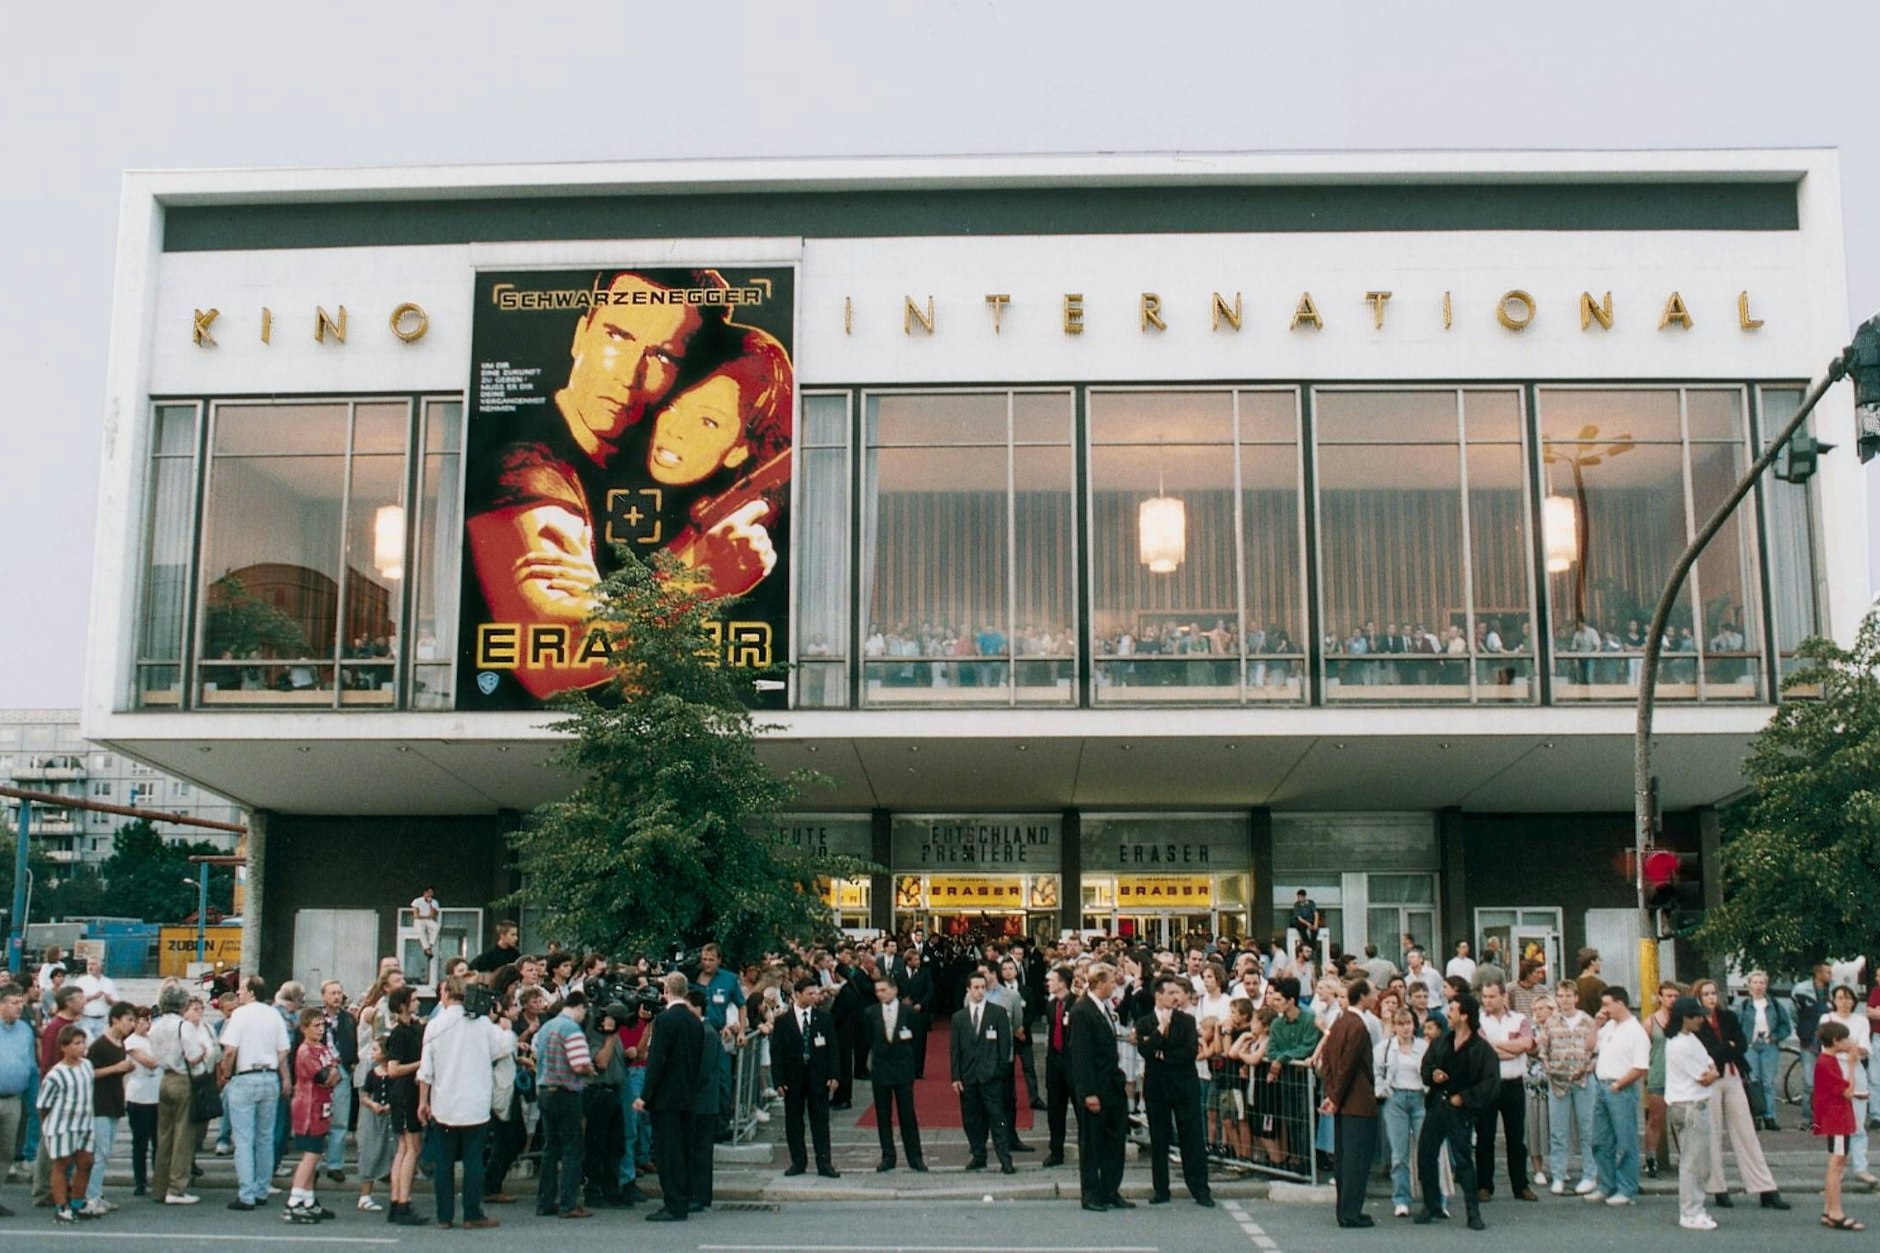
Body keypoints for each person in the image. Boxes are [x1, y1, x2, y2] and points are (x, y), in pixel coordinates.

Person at [417, 974, 514, 1230]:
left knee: (444, 1162)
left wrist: (423, 1101)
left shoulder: (435, 1026)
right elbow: (502, 1049)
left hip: (444, 1103)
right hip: (475, 1103)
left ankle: (444, 1216)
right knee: (473, 1160)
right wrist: (505, 1029)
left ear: (446, 993)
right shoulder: (481, 1024)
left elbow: (426, 1070)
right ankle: (472, 1213)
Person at [1688, 977, 1790, 1211]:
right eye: (1706, 994)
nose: (1711, 998)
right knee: (1712, 1134)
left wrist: (1729, 1048)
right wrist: (1728, 1047)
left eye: (1713, 993)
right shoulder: (1695, 1023)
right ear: (1698, 998)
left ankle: (1765, 1188)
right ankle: (1718, 1189)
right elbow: (1709, 1053)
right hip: (1709, 1080)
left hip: (1733, 1076)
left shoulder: (1728, 1017)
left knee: (1746, 1133)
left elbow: (1742, 1044)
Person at [1415, 993, 1499, 1230]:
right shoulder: (1442, 1042)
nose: (1447, 1014)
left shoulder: (1481, 1049)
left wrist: (1465, 1098)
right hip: (1437, 1105)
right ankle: (1431, 1206)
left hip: (1461, 1111)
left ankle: (1473, 1213)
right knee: (1426, 1154)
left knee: (1463, 1161)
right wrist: (1433, 1075)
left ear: (1464, 1016)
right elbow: (1427, 1065)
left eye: (1452, 1009)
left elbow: (1491, 1083)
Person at [1135, 973, 1212, 1207]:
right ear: (1158, 995)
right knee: (1159, 1140)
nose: (1175, 997)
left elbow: (1189, 1052)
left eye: (1177, 992)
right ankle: (1161, 1189)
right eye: (1170, 993)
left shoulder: (1187, 1021)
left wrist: (1162, 1054)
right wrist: (1160, 1032)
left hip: (1184, 1085)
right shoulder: (1145, 1022)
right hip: (1157, 1088)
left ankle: (1200, 1189)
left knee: (1192, 1138)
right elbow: (1145, 1050)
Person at [214, 977, 287, 1213]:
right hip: (269, 1076)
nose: (238, 992)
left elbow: (230, 1050)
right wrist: (276, 1067)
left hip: (245, 1077)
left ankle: (246, 1194)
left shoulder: (240, 1015)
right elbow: (283, 1049)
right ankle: (261, 1189)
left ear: (251, 992)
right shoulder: (274, 1014)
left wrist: (225, 1074)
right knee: (265, 1137)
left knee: (244, 1139)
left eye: (242, 989)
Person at [637, 973, 705, 1221]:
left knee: (668, 1152)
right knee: (683, 1149)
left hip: (665, 1097)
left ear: (666, 989)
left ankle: (673, 1203)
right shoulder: (694, 1021)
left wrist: (645, 1095)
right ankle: (683, 1198)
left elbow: (657, 1061)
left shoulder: (664, 1020)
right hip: (686, 1094)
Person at [1070, 963, 1130, 1212]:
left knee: (1115, 1141)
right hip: (1096, 1088)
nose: (1114, 986)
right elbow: (1081, 1056)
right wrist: (1088, 1093)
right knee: (1093, 1143)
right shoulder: (1082, 1011)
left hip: (1112, 1086)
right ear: (1098, 983)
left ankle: (1110, 1190)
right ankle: (1091, 1193)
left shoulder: (1102, 1008)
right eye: (1110, 982)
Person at [1319, 980, 1379, 1228]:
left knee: (1345, 1159)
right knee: (1356, 1160)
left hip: (1343, 1102)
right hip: (1358, 1101)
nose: (1375, 996)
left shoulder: (1340, 1022)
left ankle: (1345, 1209)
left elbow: (1329, 1061)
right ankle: (1351, 1212)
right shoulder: (1357, 1026)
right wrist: (1335, 1097)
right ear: (1362, 996)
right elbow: (1348, 1065)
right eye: (1372, 993)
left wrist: (1331, 1093)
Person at [533, 988, 596, 1220]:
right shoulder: (573, 1030)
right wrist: (589, 1069)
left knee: (551, 1148)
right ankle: (568, 1203)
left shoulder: (547, 1026)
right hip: (566, 1092)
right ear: (579, 1008)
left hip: (544, 1090)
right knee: (572, 1149)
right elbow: (579, 1065)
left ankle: (544, 1201)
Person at [1475, 979, 1537, 1202]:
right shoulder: (1479, 1020)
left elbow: (1527, 1044)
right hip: (1488, 1084)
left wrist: (1499, 1046)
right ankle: (1484, 1185)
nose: (1487, 1001)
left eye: (1492, 996)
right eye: (1485, 996)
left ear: (1503, 997)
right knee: (1485, 1136)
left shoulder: (1520, 1019)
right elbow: (1484, 1050)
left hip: (1513, 1083)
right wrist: (1513, 1048)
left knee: (1516, 1137)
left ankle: (1520, 1185)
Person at [770, 977, 839, 1179]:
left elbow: (833, 1049)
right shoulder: (783, 1021)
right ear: (798, 995)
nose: (814, 997)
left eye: (815, 993)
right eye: (809, 993)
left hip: (818, 1077)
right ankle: (798, 1161)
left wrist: (834, 1074)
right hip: (793, 1079)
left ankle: (824, 1162)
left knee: (820, 1121)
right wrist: (779, 1080)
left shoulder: (823, 1018)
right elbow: (777, 1053)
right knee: (794, 1122)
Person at [1664, 995, 1721, 1232]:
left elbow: (1711, 1064)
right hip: (1690, 1107)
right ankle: (1690, 1212)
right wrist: (1713, 1073)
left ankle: (1696, 1207)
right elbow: (1705, 1075)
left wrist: (1713, 1071)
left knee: (1699, 1161)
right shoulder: (1679, 1044)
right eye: (1695, 1015)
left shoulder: (1690, 1039)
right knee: (1693, 1162)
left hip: (1692, 1105)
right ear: (1683, 1018)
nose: (1700, 1019)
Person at [1587, 987, 1648, 1206]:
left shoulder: (1636, 1030)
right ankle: (1606, 1184)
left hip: (1621, 1087)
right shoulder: (1610, 1027)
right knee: (1600, 1140)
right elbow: (1590, 1046)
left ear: (1620, 1003)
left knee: (1625, 1140)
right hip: (1601, 1085)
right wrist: (1596, 1025)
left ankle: (1627, 1188)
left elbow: (1640, 1067)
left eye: (1607, 1004)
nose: (1604, 1009)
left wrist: (1619, 1084)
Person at [1537, 977, 1598, 1195]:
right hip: (1558, 1082)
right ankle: (1559, 1175)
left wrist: (1589, 1067)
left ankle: (1590, 1174)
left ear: (1576, 998)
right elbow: (1543, 1050)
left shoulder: (1588, 1021)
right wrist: (1548, 1066)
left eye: (1568, 996)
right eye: (1560, 996)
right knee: (1558, 1131)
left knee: (1587, 1129)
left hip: (1583, 1081)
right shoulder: (1551, 1023)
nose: (1564, 1000)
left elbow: (1597, 1051)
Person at [950, 972, 1015, 1175]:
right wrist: (955, 1076)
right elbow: (955, 1050)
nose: (979, 991)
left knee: (997, 1118)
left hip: (991, 1075)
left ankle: (1005, 1158)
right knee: (971, 1119)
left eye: (982, 987)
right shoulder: (959, 1018)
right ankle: (979, 1155)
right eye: (975, 988)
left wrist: (1000, 1070)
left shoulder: (997, 1013)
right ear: (968, 990)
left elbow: (1005, 1045)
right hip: (969, 1076)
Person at [861, 968, 925, 1173]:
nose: (879, 993)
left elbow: (917, 1040)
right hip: (881, 1069)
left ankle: (915, 1157)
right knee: (883, 1114)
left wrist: (912, 1066)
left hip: (903, 1068)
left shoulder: (908, 1012)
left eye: (883, 990)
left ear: (894, 990)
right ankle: (888, 1155)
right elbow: (869, 1039)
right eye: (877, 990)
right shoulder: (870, 1012)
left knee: (907, 1114)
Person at [147, 985, 206, 1206]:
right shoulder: (185, 1026)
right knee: (183, 1136)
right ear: (182, 1005)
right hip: (182, 1080)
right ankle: (176, 1187)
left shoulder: (156, 1026)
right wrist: (203, 1052)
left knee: (164, 1135)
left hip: (164, 1078)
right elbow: (192, 1057)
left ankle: (160, 1187)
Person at [282, 1008, 338, 1224]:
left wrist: (332, 1073)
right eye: (315, 1026)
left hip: (322, 1106)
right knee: (311, 1154)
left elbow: (336, 1074)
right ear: (304, 1028)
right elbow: (324, 1076)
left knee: (316, 1153)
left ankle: (308, 1200)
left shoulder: (322, 1048)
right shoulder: (305, 1051)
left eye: (322, 1025)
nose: (320, 1030)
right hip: (308, 1107)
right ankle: (294, 1202)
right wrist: (331, 1073)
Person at [82, 1002, 136, 1216]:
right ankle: (90, 1196)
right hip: (100, 1103)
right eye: (128, 1020)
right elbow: (90, 1072)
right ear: (115, 1020)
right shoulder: (100, 1044)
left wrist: (123, 1070)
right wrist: (116, 1068)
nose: (130, 1025)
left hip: (114, 1100)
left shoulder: (119, 1043)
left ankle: (97, 1193)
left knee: (106, 1152)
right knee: (99, 1152)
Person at [378, 987, 426, 1226]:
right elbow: (393, 1069)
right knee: (410, 1147)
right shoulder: (399, 1033)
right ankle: (402, 1201)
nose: (418, 1002)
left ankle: (397, 1201)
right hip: (405, 1092)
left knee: (404, 1148)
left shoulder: (412, 1028)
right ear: (403, 1005)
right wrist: (421, 1062)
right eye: (414, 999)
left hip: (408, 1092)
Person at [38, 1026, 94, 1225]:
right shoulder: (56, 1074)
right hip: (63, 1125)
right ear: (64, 1047)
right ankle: (61, 1207)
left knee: (86, 1162)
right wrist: (47, 1125)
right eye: (76, 1044)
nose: (81, 1047)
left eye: (82, 1043)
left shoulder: (87, 1065)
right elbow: (43, 1104)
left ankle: (78, 1203)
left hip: (85, 1123)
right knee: (61, 1164)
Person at [1375, 1008, 1427, 1218]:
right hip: (1396, 1098)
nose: (1405, 1028)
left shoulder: (1423, 1047)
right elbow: (1377, 1071)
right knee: (1399, 1153)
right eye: (1400, 1024)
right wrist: (1382, 1090)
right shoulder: (1385, 1047)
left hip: (1420, 1097)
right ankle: (1401, 1199)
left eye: (1408, 1023)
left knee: (1426, 1150)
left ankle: (1434, 1197)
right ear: (1394, 1026)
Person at [1815, 1020, 1867, 1232]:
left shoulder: (1829, 1060)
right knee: (1836, 1165)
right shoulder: (1827, 1062)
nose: (1848, 1042)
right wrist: (1853, 1065)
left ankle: (1829, 1209)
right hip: (1836, 1119)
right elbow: (1845, 1090)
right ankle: (1835, 1212)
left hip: (1837, 1116)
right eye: (1844, 1038)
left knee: (1839, 1162)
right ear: (1836, 1041)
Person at [1825, 983, 1876, 1188]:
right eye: (1840, 998)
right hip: (1834, 1071)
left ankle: (1860, 1167)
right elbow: (1827, 1047)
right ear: (1833, 1000)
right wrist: (1848, 1047)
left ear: (1854, 1001)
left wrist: (1850, 1048)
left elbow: (1864, 1048)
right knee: (1837, 1124)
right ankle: (1838, 1168)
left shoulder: (1861, 1021)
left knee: (1858, 1123)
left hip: (1856, 1071)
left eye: (1848, 998)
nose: (1844, 1002)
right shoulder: (1827, 1020)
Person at [1735, 971, 1792, 1131]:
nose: (1758, 986)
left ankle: (1770, 1116)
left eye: (1761, 983)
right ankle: (1756, 1116)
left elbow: (1785, 1026)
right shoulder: (1744, 1006)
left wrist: (1774, 1037)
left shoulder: (1774, 1004)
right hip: (1750, 1046)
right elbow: (1736, 1026)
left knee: (1768, 1082)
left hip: (1769, 1046)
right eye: (1755, 982)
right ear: (1749, 985)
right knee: (1754, 1081)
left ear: (1766, 985)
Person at [315, 981, 356, 1187]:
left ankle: (335, 1164)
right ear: (324, 996)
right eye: (332, 993)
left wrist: (348, 1064)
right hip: (320, 1070)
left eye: (339, 992)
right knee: (318, 1119)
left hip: (341, 1069)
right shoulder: (315, 1018)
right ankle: (313, 1164)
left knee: (339, 1120)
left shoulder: (348, 1018)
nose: (337, 997)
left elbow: (352, 1043)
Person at [685, 990, 724, 1212]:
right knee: (697, 1148)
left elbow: (704, 1069)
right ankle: (698, 1193)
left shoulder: (707, 1033)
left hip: (703, 1102)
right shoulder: (702, 1030)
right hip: (701, 1100)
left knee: (701, 1150)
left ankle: (700, 1195)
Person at [0, 985, 32, 1216]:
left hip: (13, 1099)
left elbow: (30, 1063)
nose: (18, 1007)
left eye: (20, 1002)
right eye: (13, 1002)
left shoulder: (25, 1031)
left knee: (6, 1152)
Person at [122, 1006, 158, 1199]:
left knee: (158, 1141)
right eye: (143, 1020)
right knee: (140, 1141)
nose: (147, 1024)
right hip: (138, 1096)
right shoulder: (131, 1041)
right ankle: (140, 1181)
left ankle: (158, 1178)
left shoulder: (153, 1040)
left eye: (149, 1020)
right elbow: (149, 1061)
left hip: (156, 1095)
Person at [1041, 966, 1074, 1168]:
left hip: (1072, 1063)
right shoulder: (1051, 1005)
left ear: (1062, 983)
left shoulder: (1076, 1003)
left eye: (1052, 980)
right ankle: (1056, 1150)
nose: (1048, 983)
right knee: (1055, 1109)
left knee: (1080, 1108)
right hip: (1055, 1062)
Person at [72, 956, 117, 1044]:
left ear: (101, 966)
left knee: (101, 1045)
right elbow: (75, 1002)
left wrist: (109, 1000)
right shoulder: (80, 982)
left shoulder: (108, 982)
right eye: (88, 964)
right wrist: (92, 997)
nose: (90, 967)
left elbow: (117, 1002)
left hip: (103, 1020)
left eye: (93, 964)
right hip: (86, 1019)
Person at [1573, 949, 1606, 1016]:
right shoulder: (1598, 985)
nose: (1600, 963)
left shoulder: (1574, 984)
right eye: (1598, 960)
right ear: (1592, 962)